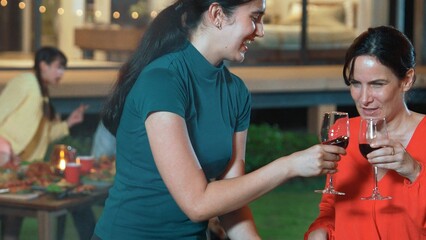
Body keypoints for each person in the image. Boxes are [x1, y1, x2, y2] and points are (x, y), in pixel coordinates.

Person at [93, 1, 345, 239]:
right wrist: (289, 166)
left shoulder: (236, 91)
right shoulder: (162, 80)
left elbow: (231, 202)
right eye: (255, 18)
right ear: (217, 14)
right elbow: (197, 203)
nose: (261, 31)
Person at [305, 26, 426, 239]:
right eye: (355, 84)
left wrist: (415, 172)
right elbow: (331, 208)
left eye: (377, 84)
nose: (364, 98)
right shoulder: (342, 132)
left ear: (406, 80)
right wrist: (319, 230)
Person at [0, 46, 93, 240]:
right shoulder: (27, 82)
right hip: (5, 162)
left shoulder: (42, 94)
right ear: (43, 65)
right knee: (11, 215)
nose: (62, 73)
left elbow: (45, 135)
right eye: (59, 67)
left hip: (23, 168)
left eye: (64, 68)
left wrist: (68, 123)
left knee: (13, 218)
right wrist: (4, 145)